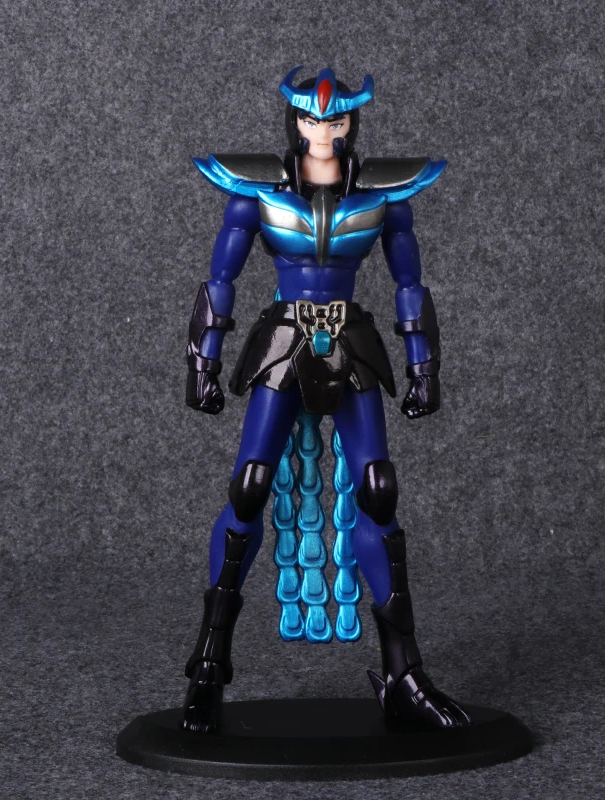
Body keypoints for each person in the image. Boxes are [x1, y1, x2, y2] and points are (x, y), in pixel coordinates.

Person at [182, 66, 471, 734]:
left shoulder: (384, 193)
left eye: (334, 119)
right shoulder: (256, 190)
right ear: (293, 120)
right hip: (284, 339)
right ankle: (208, 665)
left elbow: (409, 284)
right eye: (310, 119)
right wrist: (203, 360)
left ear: (351, 122)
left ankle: (404, 675)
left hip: (351, 341)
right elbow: (220, 277)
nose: (321, 130)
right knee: (250, 487)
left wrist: (424, 366)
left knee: (378, 489)